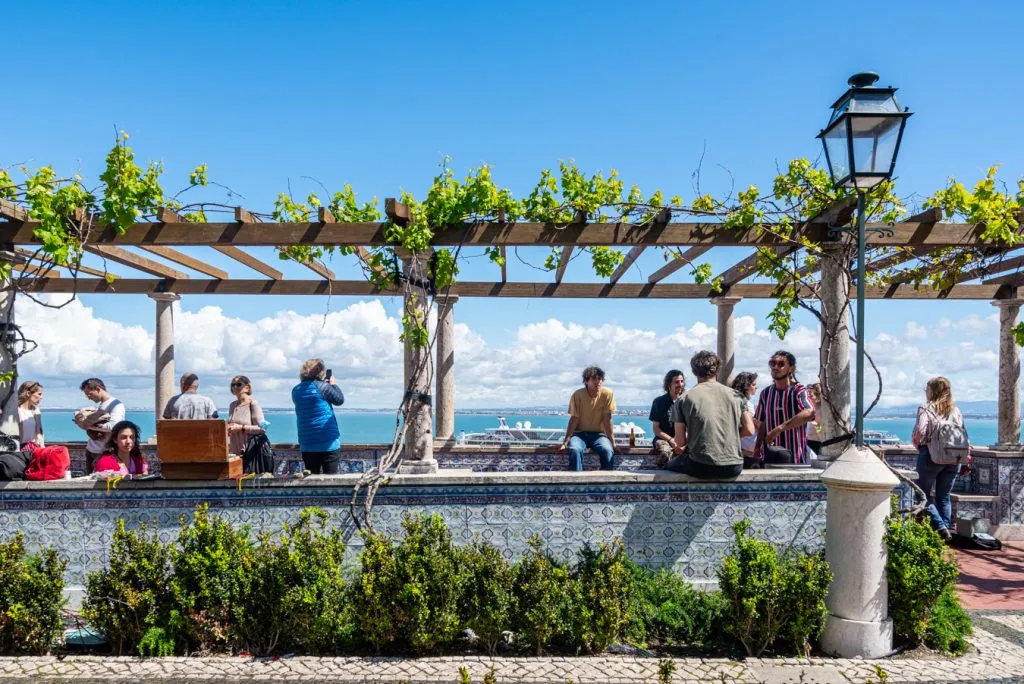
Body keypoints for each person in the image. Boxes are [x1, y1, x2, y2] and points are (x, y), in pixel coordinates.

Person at [666, 351, 754, 478]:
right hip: (734, 466)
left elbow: (679, 442)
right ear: (717, 370)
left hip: (701, 466)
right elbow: (750, 430)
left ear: (694, 371)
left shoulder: (684, 399)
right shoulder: (737, 396)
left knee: (669, 465)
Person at [912, 376, 964, 541]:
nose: (925, 392)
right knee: (943, 496)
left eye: (927, 389)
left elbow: (920, 430)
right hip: (953, 458)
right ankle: (946, 531)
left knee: (922, 495)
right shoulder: (955, 410)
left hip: (931, 456)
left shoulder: (926, 408)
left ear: (933, 390)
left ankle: (941, 528)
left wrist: (917, 443)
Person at [753, 351, 814, 465]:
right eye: (772, 363)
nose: (775, 367)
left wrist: (779, 428)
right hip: (769, 457)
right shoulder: (766, 393)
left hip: (794, 459)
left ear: (791, 368)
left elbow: (809, 412)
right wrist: (757, 449)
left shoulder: (798, 390)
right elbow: (761, 423)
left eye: (781, 364)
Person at [292, 358, 345, 474]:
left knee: (311, 479)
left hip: (307, 442)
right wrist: (333, 385)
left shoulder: (296, 390)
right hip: (328, 440)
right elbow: (339, 400)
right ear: (321, 372)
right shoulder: (323, 387)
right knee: (330, 480)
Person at [558, 366, 616, 471]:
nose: (598, 382)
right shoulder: (578, 395)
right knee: (575, 449)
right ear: (586, 381)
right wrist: (565, 442)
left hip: (599, 435)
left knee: (608, 450)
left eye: (600, 379)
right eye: (594, 379)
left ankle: (606, 483)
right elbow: (574, 419)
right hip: (579, 434)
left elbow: (607, 419)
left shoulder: (607, 394)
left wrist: (613, 442)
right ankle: (577, 482)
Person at [79, 378, 126, 473]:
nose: (88, 397)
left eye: (90, 394)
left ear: (98, 389)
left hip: (105, 452)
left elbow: (114, 426)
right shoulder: (102, 405)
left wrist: (87, 426)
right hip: (92, 449)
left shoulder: (116, 405)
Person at [648, 370, 685, 468]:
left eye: (681, 381)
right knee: (665, 452)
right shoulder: (659, 402)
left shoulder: (686, 402)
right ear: (669, 384)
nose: (680, 384)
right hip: (663, 439)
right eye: (676, 382)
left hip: (682, 439)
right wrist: (671, 440)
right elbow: (656, 429)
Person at [226, 375, 266, 456]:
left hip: (250, 452)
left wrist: (241, 427)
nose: (235, 387)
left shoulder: (253, 404)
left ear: (247, 387)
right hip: (235, 453)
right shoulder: (232, 405)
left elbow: (263, 428)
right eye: (232, 385)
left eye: (238, 384)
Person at [730, 372, 759, 460]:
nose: (756, 387)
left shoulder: (735, 402)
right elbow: (750, 427)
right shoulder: (747, 405)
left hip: (744, 445)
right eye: (753, 385)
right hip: (749, 443)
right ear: (746, 386)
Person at [17, 381, 44, 447]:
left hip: (34, 449)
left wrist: (42, 448)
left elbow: (40, 434)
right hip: (19, 451)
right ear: (29, 393)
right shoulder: (16, 411)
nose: (41, 397)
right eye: (39, 394)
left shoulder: (36, 410)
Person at [805, 382, 824, 457]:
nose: (808, 397)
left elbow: (822, 434)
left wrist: (817, 426)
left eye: (810, 395)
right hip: (808, 441)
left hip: (816, 443)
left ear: (818, 397)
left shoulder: (820, 410)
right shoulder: (810, 409)